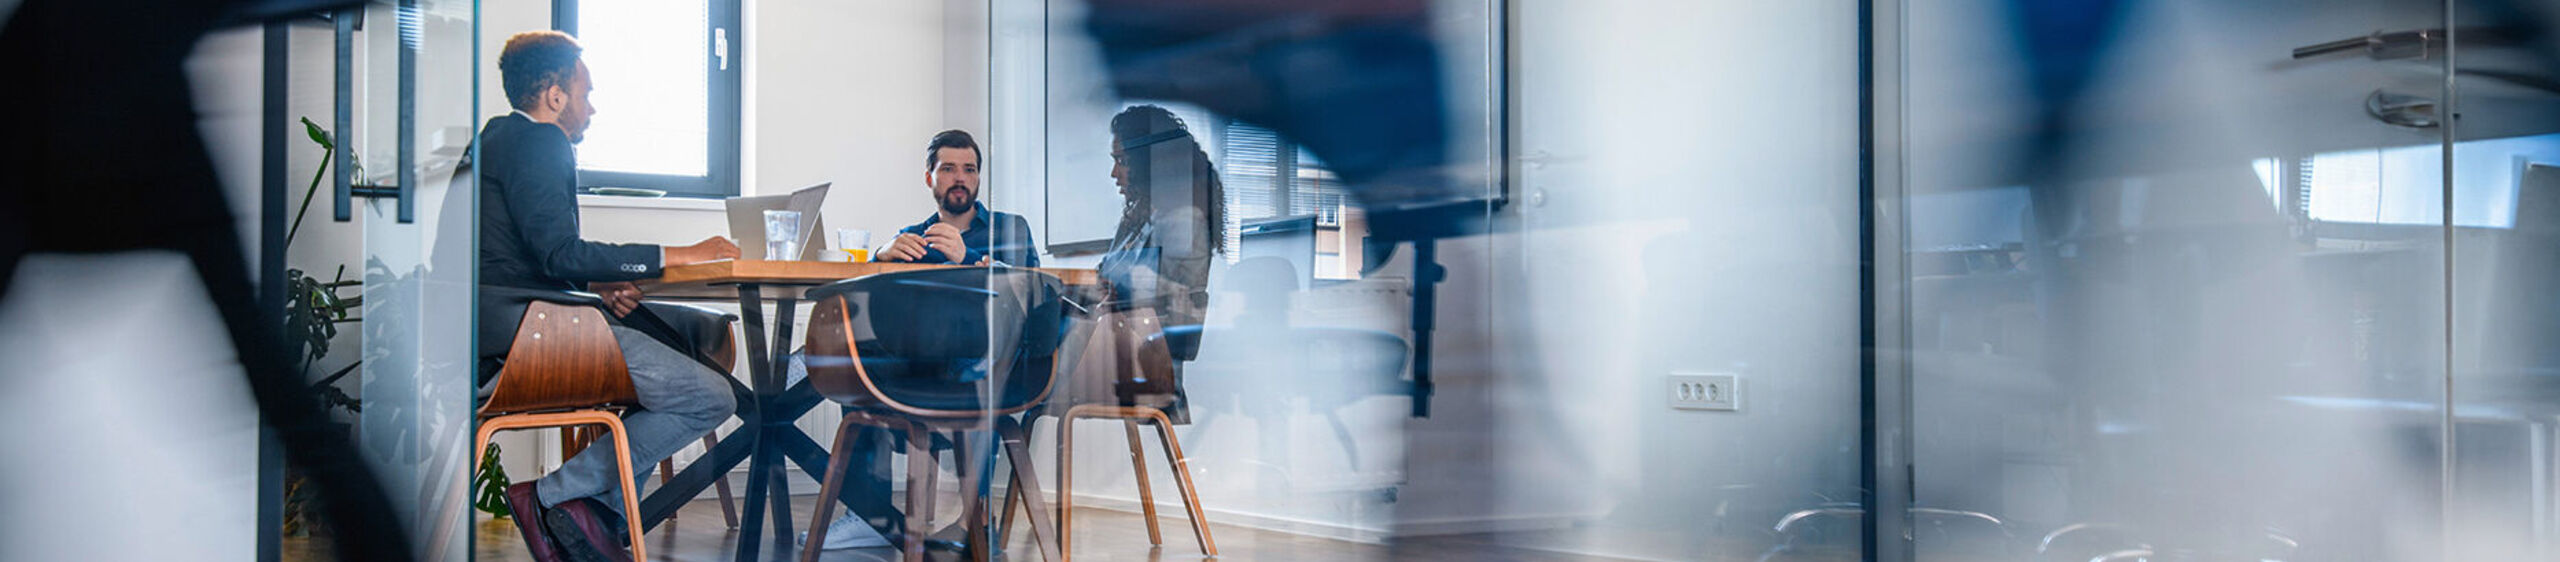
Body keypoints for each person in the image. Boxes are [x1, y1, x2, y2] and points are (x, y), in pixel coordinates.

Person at [477, 30, 741, 562]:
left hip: (497, 328)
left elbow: (520, 255)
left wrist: (595, 286)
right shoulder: (539, 140)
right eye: (586, 92)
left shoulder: (494, 138)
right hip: (532, 337)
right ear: (555, 95)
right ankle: (550, 497)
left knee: (665, 360)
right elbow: (558, 253)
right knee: (712, 397)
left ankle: (596, 524)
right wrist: (680, 252)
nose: (590, 107)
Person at [1088, 104, 1228, 423]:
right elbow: (1107, 278)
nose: (1115, 174)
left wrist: (1124, 279)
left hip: (1149, 369)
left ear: (1147, 163)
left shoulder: (1184, 221)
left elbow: (1184, 306)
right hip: (1122, 353)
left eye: (1122, 162)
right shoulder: (1140, 221)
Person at [874, 130, 1040, 267]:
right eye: (948, 169)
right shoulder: (913, 237)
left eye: (969, 170)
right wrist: (880, 255)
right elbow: (861, 295)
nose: (960, 178)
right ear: (929, 179)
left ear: (978, 178)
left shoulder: (1009, 228)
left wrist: (966, 257)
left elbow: (1035, 294)